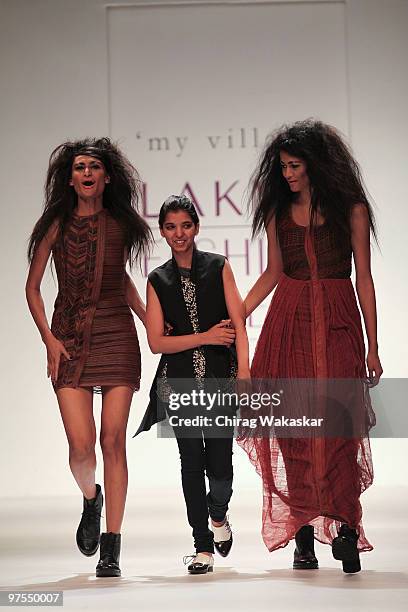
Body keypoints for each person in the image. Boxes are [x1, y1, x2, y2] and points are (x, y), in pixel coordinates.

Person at [237, 119, 382, 573]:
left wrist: (374, 345)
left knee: (340, 427)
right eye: (282, 167)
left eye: (295, 165)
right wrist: (238, 312)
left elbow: (364, 279)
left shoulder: (350, 211)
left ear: (317, 165)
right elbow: (274, 272)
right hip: (291, 320)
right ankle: (302, 534)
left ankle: (344, 530)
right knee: (294, 428)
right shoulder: (280, 213)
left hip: (339, 318)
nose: (287, 174)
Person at [26, 137, 151, 577]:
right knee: (80, 448)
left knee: (112, 441)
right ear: (70, 177)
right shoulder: (55, 224)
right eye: (79, 167)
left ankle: (112, 545)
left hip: (117, 333)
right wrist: (49, 340)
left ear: (107, 176)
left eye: (93, 167)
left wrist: (151, 318)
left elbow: (124, 283)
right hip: (70, 339)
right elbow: (32, 288)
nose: (86, 173)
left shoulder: (121, 224)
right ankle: (90, 498)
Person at [135, 195, 250, 574]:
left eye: (185, 225)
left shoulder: (219, 267)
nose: (179, 233)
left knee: (220, 469)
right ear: (163, 232)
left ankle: (218, 517)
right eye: (171, 227)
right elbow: (156, 343)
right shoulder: (157, 280)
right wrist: (203, 336)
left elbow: (238, 324)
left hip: (220, 379)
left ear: (196, 228)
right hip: (179, 381)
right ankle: (202, 547)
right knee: (190, 464)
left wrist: (246, 374)